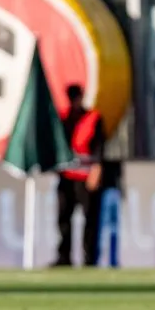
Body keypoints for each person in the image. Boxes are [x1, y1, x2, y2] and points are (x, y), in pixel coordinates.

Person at [53, 83, 105, 268]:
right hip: (67, 176)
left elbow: (99, 147)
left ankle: (89, 258)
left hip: (85, 175)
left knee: (90, 219)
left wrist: (96, 171)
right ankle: (63, 256)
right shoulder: (64, 119)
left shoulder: (93, 118)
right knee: (63, 218)